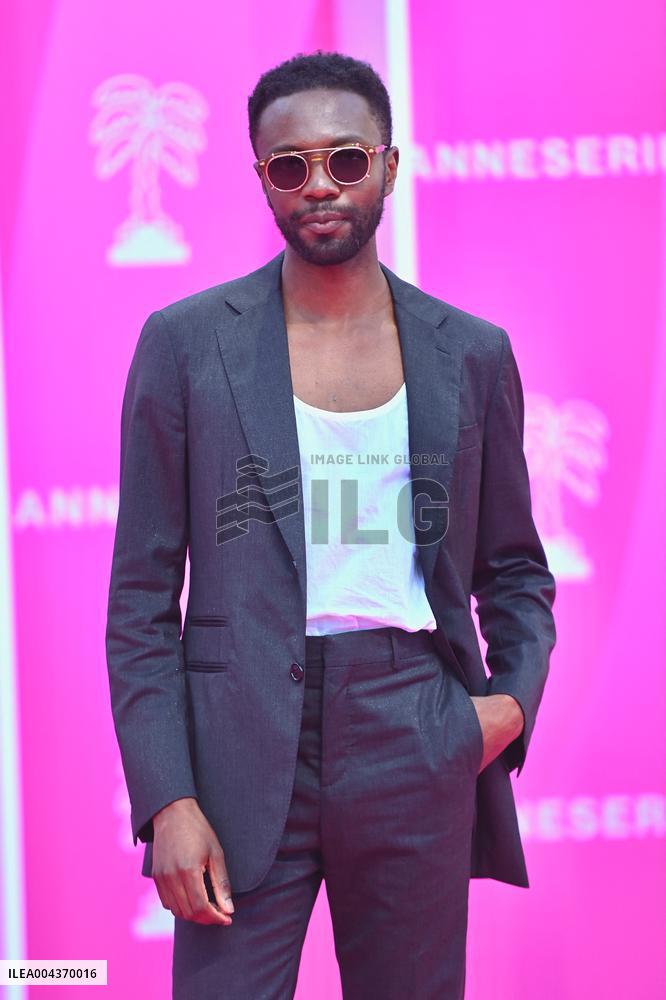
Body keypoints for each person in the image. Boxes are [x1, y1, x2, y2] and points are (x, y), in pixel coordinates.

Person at [105, 50, 556, 1000]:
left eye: (346, 161)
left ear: (391, 166)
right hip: (237, 748)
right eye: (291, 166)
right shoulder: (186, 346)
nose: (321, 186)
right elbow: (142, 602)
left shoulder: (469, 354)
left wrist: (502, 712)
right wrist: (167, 800)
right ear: (260, 177)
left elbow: (514, 569)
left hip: (412, 726)